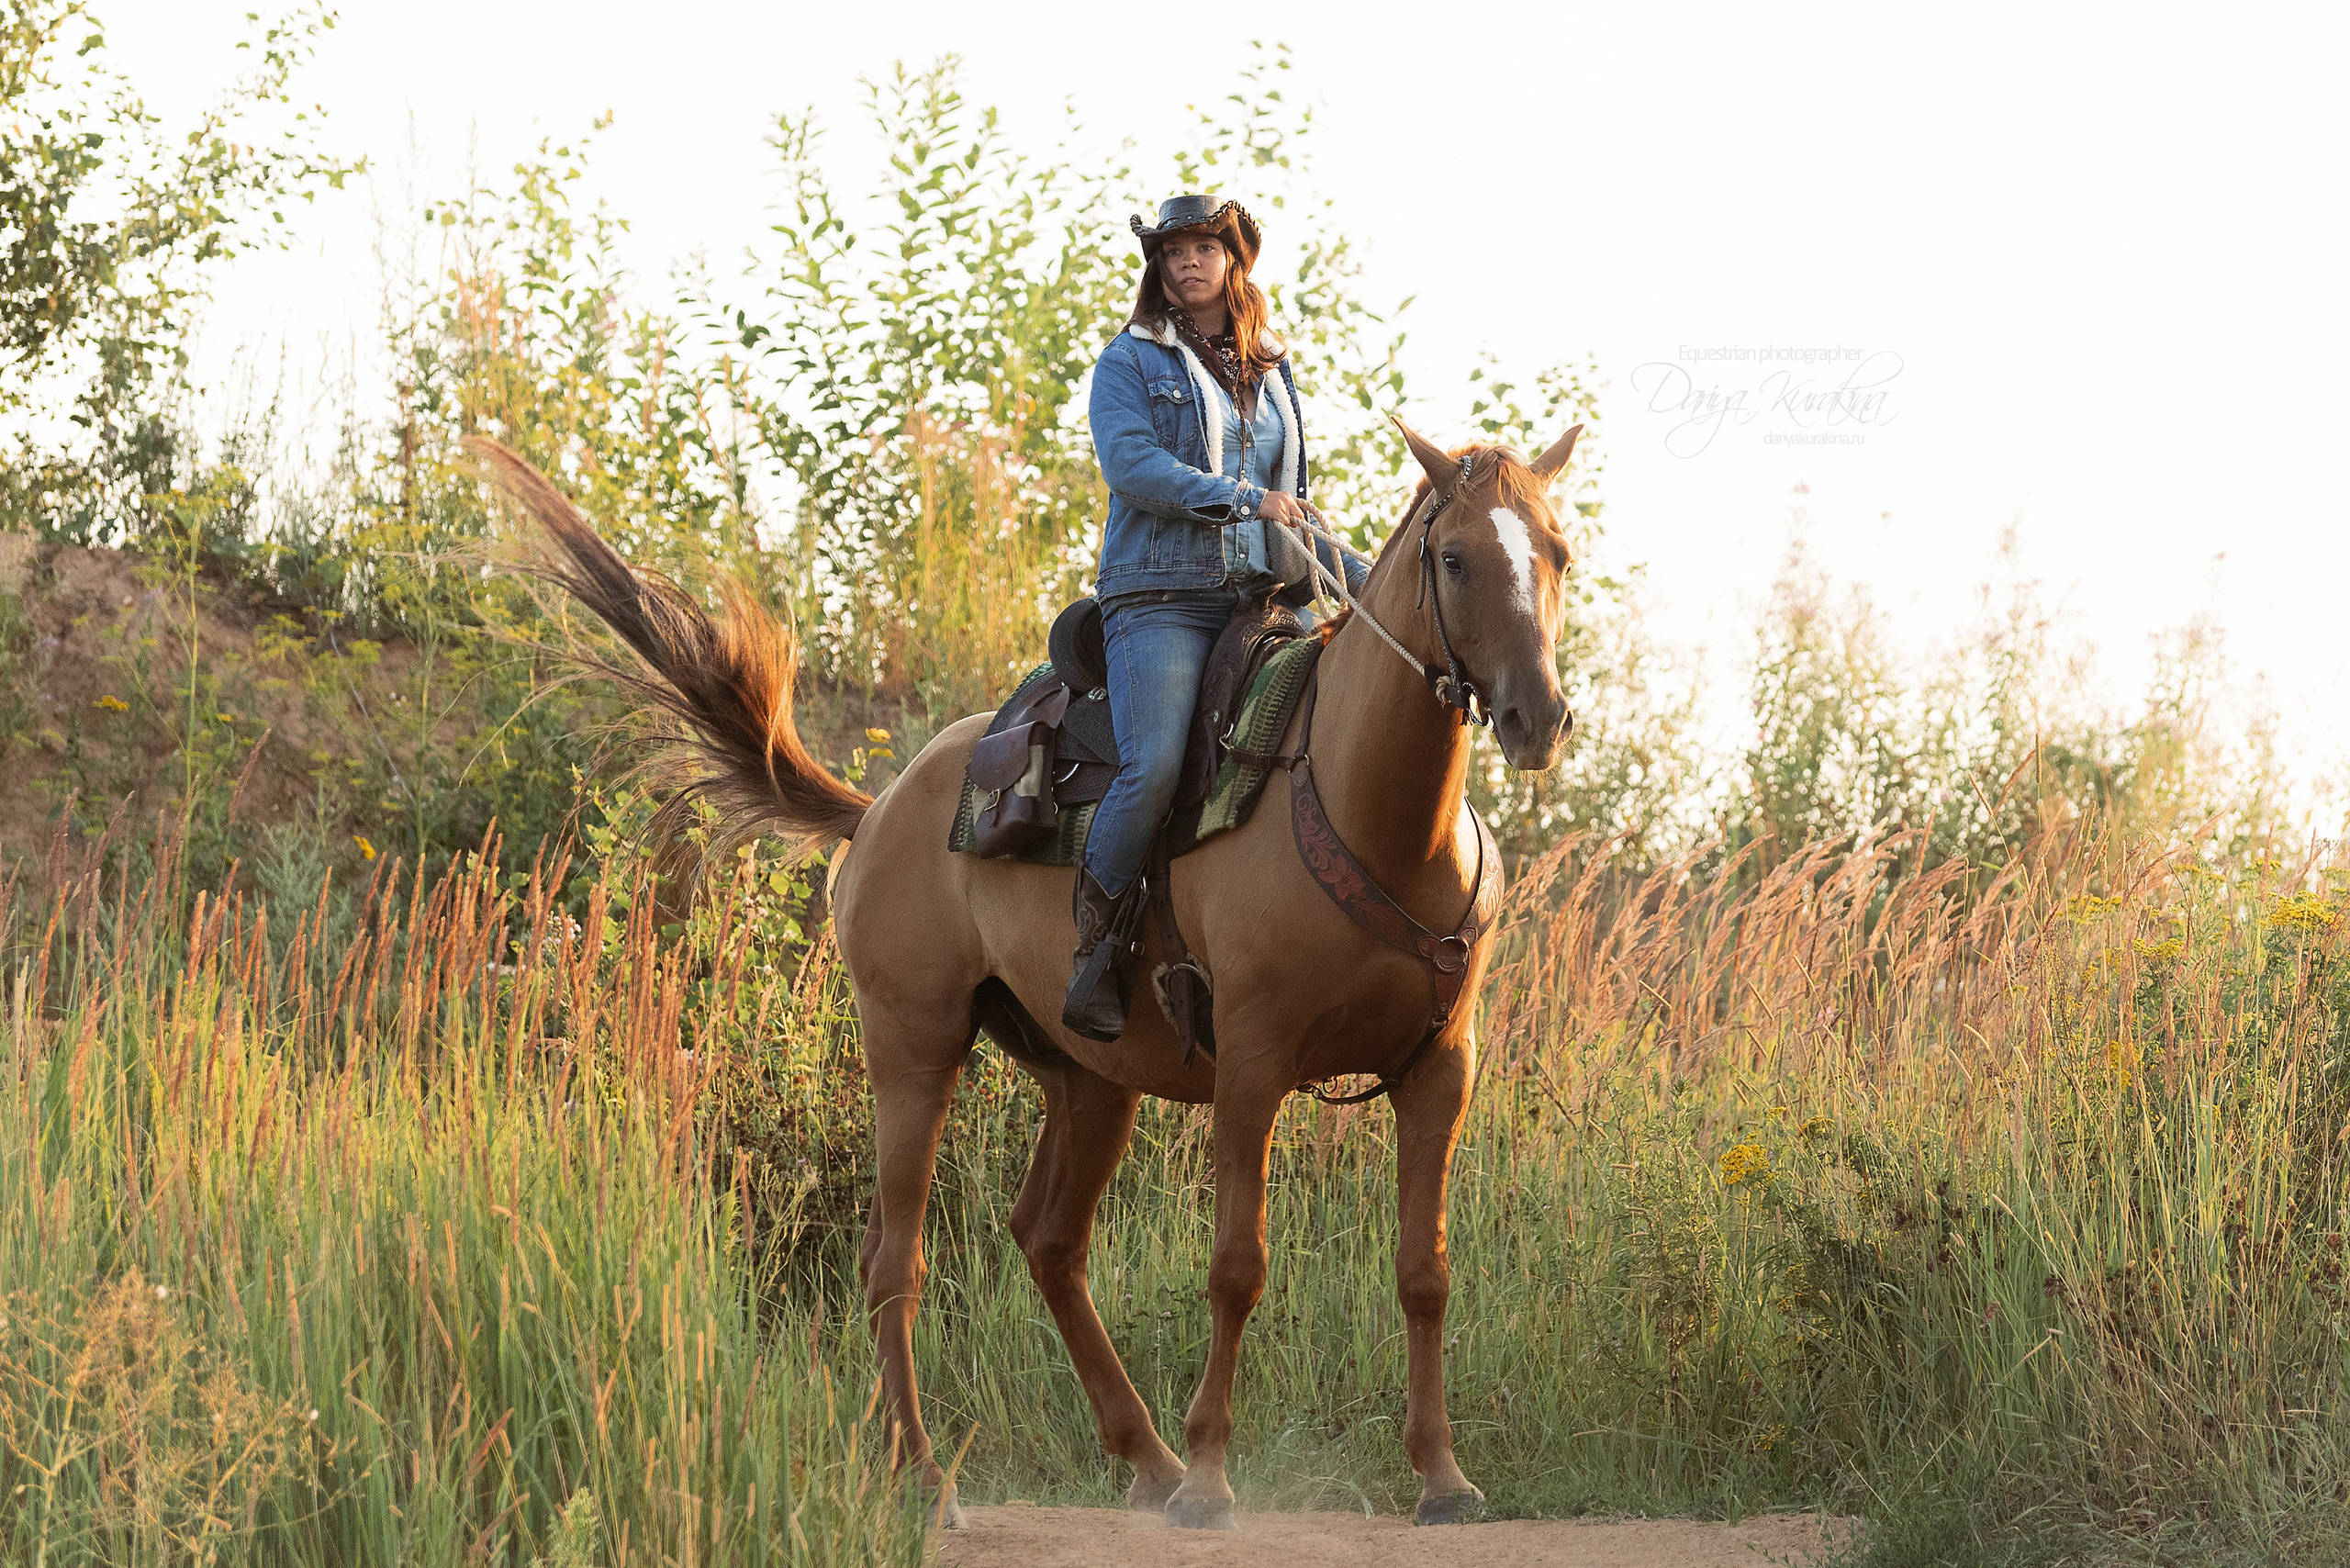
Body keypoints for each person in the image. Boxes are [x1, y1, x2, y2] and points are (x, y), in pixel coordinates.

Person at [1064, 194, 1369, 1042]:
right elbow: (1131, 466)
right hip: (1161, 599)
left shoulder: (1272, 369)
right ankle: (1096, 946)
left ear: (1234, 260)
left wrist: (1370, 582)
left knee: (1330, 739)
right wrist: (1243, 499)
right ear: (1158, 268)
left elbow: (1292, 506)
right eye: (1173, 252)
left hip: (1263, 600)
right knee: (1155, 765)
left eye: (1204, 248)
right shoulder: (1129, 361)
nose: (1188, 262)